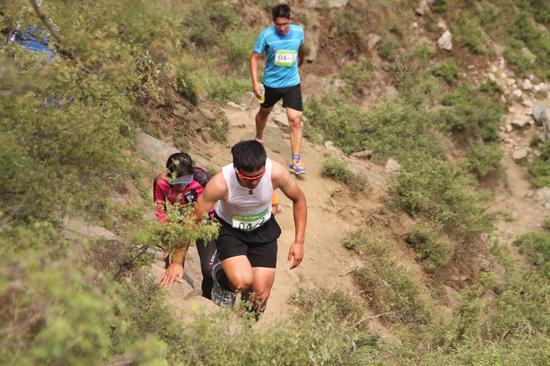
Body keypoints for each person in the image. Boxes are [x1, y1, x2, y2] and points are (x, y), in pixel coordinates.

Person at [195, 140, 307, 316]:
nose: (254, 183)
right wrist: (177, 262)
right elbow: (195, 217)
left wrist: (299, 241)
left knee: (260, 297)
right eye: (248, 178)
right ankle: (222, 278)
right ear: (236, 168)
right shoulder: (220, 183)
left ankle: (242, 333)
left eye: (258, 177)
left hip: (263, 230)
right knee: (242, 281)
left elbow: (299, 199)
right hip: (230, 230)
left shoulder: (276, 173)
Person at [250, 3, 307, 175]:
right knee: (263, 113)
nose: (282, 28)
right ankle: (259, 137)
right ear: (274, 22)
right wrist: (255, 83)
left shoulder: (298, 32)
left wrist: (301, 62)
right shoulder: (266, 35)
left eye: (285, 24)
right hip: (271, 85)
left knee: (295, 120)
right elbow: (254, 58)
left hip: (292, 83)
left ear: (291, 20)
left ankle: (295, 161)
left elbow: (301, 49)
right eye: (278, 25)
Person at [156, 152, 217, 299]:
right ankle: (172, 294)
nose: (181, 187)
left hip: (206, 223)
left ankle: (208, 300)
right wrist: (166, 232)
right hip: (181, 220)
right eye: (176, 183)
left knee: (209, 270)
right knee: (170, 261)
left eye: (186, 182)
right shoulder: (160, 182)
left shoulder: (203, 180)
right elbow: (160, 209)